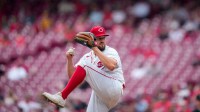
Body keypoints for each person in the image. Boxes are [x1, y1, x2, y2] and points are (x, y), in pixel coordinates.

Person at [42, 26, 125, 112]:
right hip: (103, 96)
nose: (102, 40)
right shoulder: (88, 57)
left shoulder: (110, 51)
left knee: (85, 63)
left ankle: (62, 96)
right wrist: (69, 60)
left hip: (114, 87)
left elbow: (111, 66)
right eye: (98, 38)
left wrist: (94, 48)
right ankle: (62, 96)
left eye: (103, 38)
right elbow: (73, 78)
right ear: (92, 39)